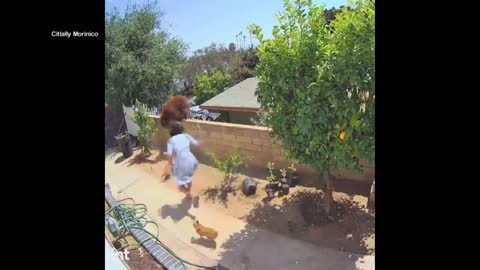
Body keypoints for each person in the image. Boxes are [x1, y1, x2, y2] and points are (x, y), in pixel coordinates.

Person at [163, 122, 200, 205]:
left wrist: (169, 166)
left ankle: (191, 195)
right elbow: (196, 143)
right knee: (188, 178)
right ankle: (189, 194)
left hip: (181, 164)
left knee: (180, 186)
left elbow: (169, 156)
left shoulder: (170, 141)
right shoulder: (186, 136)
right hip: (192, 161)